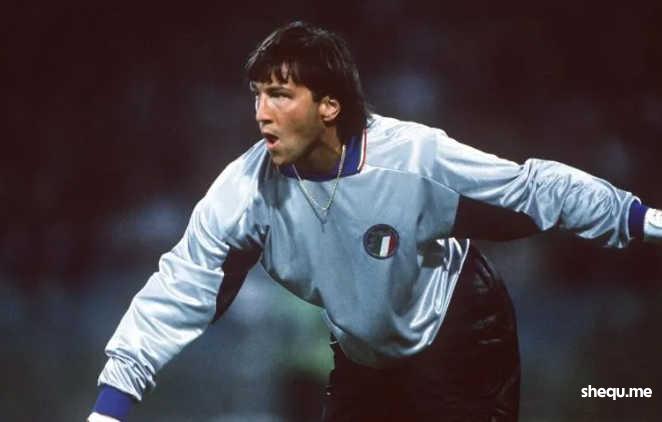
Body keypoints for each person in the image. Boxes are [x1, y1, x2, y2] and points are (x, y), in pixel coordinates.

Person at [88, 21, 661, 421]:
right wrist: (109, 408)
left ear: (329, 106)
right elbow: (179, 287)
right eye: (257, 95)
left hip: (459, 340)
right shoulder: (244, 192)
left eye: (280, 94)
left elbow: (536, 190)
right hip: (364, 360)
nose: (261, 113)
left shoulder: (413, 159)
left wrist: (644, 219)